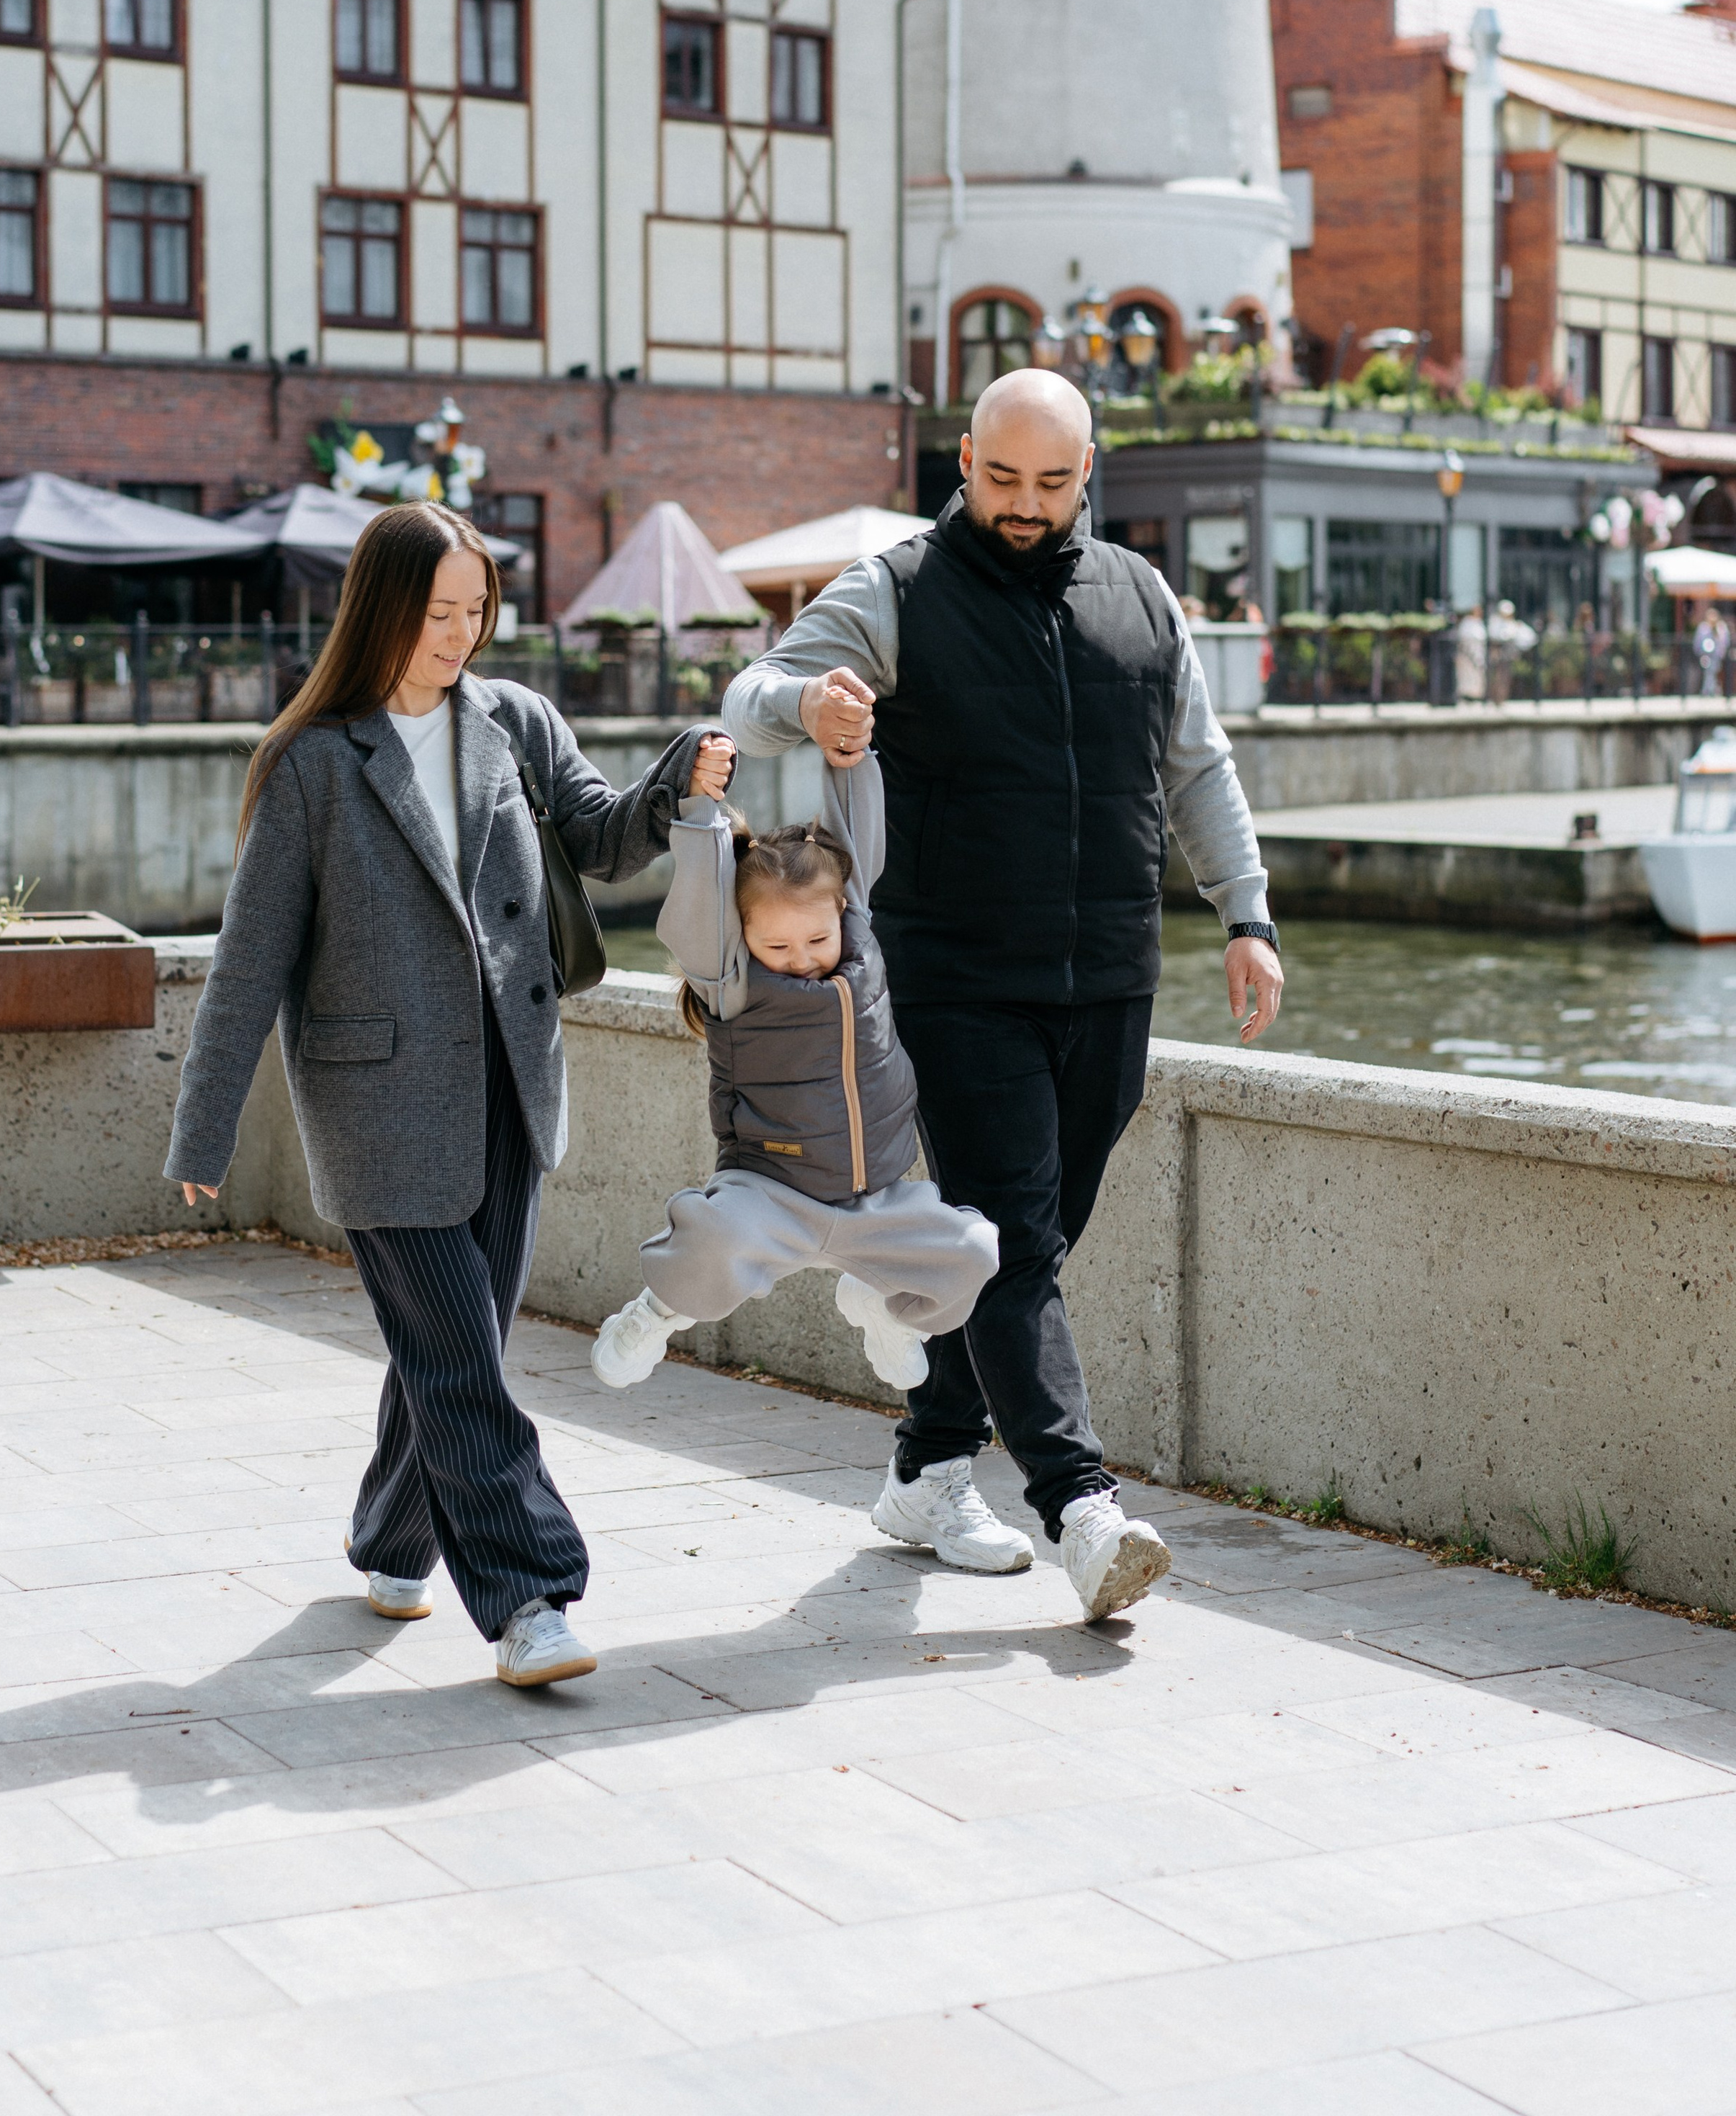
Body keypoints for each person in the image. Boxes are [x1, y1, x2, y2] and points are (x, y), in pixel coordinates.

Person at [723, 368, 1284, 1621]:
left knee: (1019, 1242)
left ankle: (927, 1471)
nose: (1023, 506)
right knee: (1016, 1239)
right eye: (1000, 478)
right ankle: (1082, 1511)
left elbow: (1198, 769)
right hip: (954, 978)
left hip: (1110, 979)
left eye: (1050, 482)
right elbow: (746, 699)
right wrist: (810, 701)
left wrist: (1245, 916)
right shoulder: (899, 591)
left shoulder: (1142, 599)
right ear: (963, 459)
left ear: (1091, 475)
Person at [165, 500, 708, 1691]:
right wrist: (203, 1127)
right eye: (436, 614)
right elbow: (250, 961)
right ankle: (529, 1601)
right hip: (378, 1110)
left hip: (513, 1091)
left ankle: (391, 1540)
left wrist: (676, 777)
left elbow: (606, 842)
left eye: (476, 612)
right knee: (466, 1361)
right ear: (381, 612)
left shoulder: (514, 722)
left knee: (452, 1347)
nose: (460, 636)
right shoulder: (313, 763)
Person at [592, 739, 1002, 1418]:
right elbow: (698, 897)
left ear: (842, 914)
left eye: (816, 941)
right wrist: (699, 806)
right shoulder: (730, 982)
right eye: (775, 947)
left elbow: (855, 827)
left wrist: (849, 752)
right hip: (771, 1193)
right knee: (709, 1241)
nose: (801, 960)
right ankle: (657, 1312)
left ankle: (883, 1309)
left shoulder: (859, 939)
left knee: (974, 1250)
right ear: (742, 936)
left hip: (877, 1200)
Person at [1694, 604, 1731, 697]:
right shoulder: (1703, 627)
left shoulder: (1721, 627)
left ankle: (1710, 691)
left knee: (1713, 671)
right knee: (1708, 672)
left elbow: (1725, 641)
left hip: (1717, 654)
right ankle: (1709, 691)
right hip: (1705, 654)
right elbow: (1698, 641)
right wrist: (1698, 652)